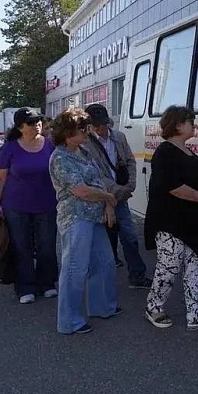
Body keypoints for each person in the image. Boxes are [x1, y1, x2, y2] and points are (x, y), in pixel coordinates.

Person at [143, 105, 198, 330]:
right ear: (178, 125)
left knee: (194, 267)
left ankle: (197, 314)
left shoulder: (188, 151)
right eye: (190, 120)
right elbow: (173, 187)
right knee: (169, 266)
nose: (194, 123)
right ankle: (154, 307)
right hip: (170, 221)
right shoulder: (165, 152)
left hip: (192, 223)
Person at [48, 108, 120, 335]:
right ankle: (70, 321)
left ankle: (102, 307)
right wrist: (109, 198)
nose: (87, 132)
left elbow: (99, 181)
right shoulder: (60, 157)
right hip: (76, 217)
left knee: (105, 261)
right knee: (75, 268)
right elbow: (80, 190)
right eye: (83, 129)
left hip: (94, 215)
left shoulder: (83, 151)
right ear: (69, 133)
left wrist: (108, 204)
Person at [0, 107, 59, 305]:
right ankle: (25, 286)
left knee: (47, 245)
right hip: (16, 206)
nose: (37, 124)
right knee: (22, 246)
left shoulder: (50, 145)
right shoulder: (10, 148)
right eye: (31, 122)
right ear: (20, 127)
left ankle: (47, 283)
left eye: (39, 121)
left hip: (47, 204)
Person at [81, 103, 152, 287]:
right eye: (96, 125)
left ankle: (137, 276)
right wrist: (114, 193)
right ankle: (102, 279)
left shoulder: (118, 137)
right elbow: (94, 174)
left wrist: (130, 185)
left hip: (120, 196)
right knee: (103, 239)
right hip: (99, 197)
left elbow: (130, 161)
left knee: (129, 236)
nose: (101, 128)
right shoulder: (84, 143)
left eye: (103, 124)